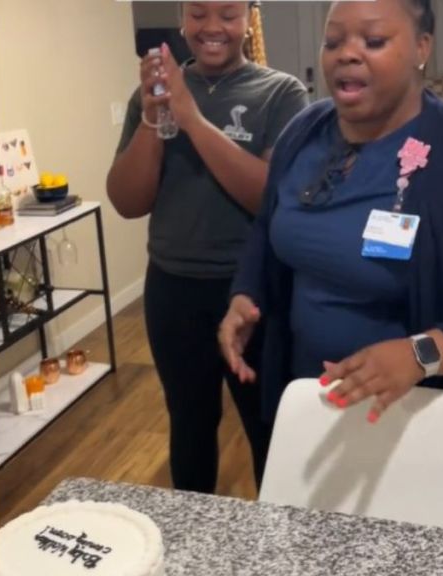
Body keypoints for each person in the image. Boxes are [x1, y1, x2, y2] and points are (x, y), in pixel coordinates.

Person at [218, 0, 443, 427]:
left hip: (415, 419)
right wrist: (245, 295)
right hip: (304, 401)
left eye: (374, 40)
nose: (347, 53)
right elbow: (267, 229)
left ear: (422, 48)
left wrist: (422, 354)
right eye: (333, 41)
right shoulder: (304, 131)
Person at [107, 1, 309, 493]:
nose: (212, 27)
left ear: (248, 19)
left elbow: (269, 197)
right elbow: (126, 201)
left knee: (268, 428)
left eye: (227, 13)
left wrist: (192, 119)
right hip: (172, 289)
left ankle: (275, 548)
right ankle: (191, 547)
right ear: (182, 18)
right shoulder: (151, 96)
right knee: (190, 424)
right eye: (198, 13)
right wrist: (157, 117)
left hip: (254, 293)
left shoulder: (281, 93)